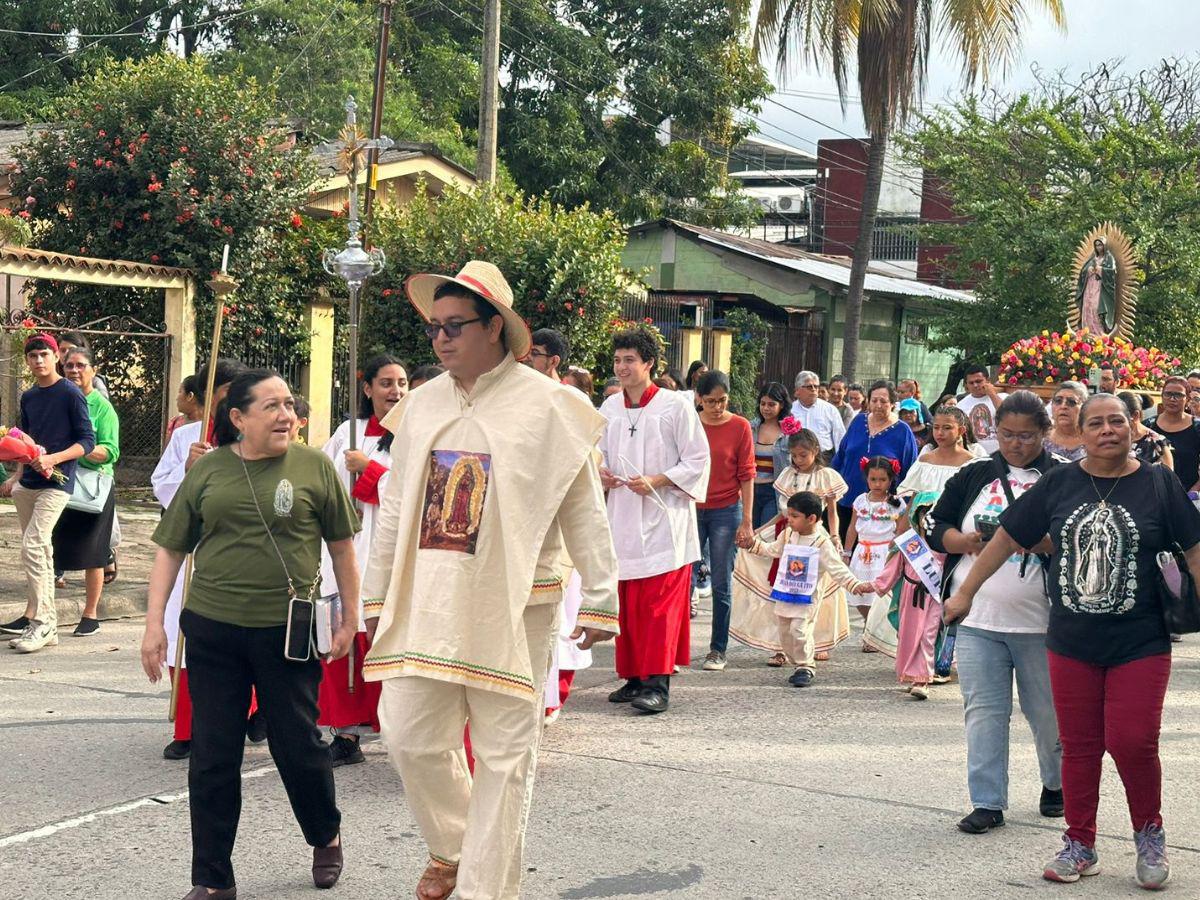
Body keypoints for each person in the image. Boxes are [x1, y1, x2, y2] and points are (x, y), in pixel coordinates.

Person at [359, 261, 619, 899]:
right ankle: (453, 845)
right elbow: (394, 507)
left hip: (518, 603)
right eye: (434, 328)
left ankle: (485, 889)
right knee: (407, 732)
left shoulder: (552, 406)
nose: (441, 339)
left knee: (505, 755)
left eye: (455, 326)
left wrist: (602, 596)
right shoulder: (421, 406)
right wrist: (375, 593)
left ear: (495, 326)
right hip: (428, 596)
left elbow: (583, 508)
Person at [945, 393, 1200, 889]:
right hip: (1070, 641)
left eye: (1116, 421)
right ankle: (1080, 842)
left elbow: (1193, 549)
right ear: (1080, 433)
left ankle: (1149, 835)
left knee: (1132, 741)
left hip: (1141, 640)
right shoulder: (1059, 482)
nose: (1108, 430)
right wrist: (967, 592)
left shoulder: (1158, 482)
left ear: (1132, 427)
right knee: (1079, 746)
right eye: (1096, 423)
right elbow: (1008, 537)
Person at [140, 369, 361, 900]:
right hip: (213, 629)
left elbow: (342, 546)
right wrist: (153, 625)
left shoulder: (313, 466)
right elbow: (171, 547)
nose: (287, 415)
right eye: (272, 406)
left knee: (298, 746)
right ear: (238, 418)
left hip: (286, 632)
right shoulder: (209, 469)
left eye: (288, 404)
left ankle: (325, 833)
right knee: (213, 755)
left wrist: (350, 616)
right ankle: (212, 878)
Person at [927, 390, 1063, 836]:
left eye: (1026, 436)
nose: (1015, 444)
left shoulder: (1064, 477)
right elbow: (937, 525)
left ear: (1044, 433)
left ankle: (1056, 783)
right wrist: (962, 542)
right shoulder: (975, 473)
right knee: (983, 712)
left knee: (1047, 713)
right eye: (1006, 435)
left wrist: (1041, 543)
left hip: (1042, 622)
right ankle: (987, 802)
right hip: (978, 618)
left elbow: (1075, 536)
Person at [601, 326, 709, 714]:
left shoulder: (674, 406)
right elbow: (595, 453)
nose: (622, 367)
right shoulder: (609, 408)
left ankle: (657, 685)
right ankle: (633, 678)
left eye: (629, 360)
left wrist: (659, 480)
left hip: (665, 519)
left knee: (657, 607)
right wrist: (601, 472)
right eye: (618, 360)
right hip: (623, 515)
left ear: (648, 363)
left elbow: (698, 459)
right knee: (628, 603)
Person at [150, 358, 249, 761]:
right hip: (195, 547)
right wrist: (189, 469)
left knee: (241, 635)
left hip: (239, 548)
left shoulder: (253, 435)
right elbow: (161, 486)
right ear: (207, 394)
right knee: (185, 634)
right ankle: (189, 728)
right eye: (223, 392)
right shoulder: (186, 436)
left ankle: (250, 709)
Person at [316, 354, 407, 767]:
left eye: (401, 383)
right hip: (346, 549)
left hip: (388, 553)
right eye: (386, 383)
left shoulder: (415, 433)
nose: (396, 391)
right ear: (367, 389)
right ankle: (346, 734)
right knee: (343, 643)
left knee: (386, 647)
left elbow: (413, 495)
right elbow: (322, 481)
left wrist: (369, 471)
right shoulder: (346, 432)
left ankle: (399, 734)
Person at [0, 334, 95, 651]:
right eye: (33, 356)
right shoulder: (29, 397)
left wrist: (53, 459)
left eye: (44, 354)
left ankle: (41, 623)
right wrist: (17, 476)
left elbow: (87, 441)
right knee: (39, 552)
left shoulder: (70, 393)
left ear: (56, 357)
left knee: (33, 545)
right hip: (28, 485)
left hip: (57, 483)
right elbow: (25, 440)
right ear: (27, 361)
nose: (39, 360)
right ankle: (46, 625)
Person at [730, 429, 850, 667]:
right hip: (787, 535)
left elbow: (832, 511)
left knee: (814, 593)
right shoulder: (787, 474)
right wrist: (758, 530)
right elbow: (783, 513)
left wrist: (835, 536)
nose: (798, 460)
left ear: (815, 451)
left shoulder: (826, 475)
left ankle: (817, 643)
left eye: (803, 455)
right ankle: (780, 647)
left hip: (813, 537)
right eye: (794, 455)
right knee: (780, 590)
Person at [737, 491, 872, 687]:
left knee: (799, 629)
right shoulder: (787, 535)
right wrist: (752, 544)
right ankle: (797, 662)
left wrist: (855, 584)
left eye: (795, 516)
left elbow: (837, 568)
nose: (789, 520)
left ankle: (805, 666)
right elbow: (772, 550)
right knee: (785, 632)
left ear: (812, 519)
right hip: (785, 594)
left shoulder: (822, 543)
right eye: (789, 514)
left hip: (807, 597)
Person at [50, 347, 119, 637]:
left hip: (92, 488)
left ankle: (90, 615)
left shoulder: (102, 408)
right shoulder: (57, 400)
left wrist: (78, 449)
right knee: (49, 549)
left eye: (81, 365)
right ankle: (42, 613)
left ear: (93, 370)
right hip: (58, 482)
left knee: (94, 552)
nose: (74, 370)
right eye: (69, 366)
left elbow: (111, 451)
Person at [692, 370, 754, 672]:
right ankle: (673, 650)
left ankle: (718, 649)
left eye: (722, 400)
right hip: (691, 508)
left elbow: (747, 474)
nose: (717, 407)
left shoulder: (740, 426)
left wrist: (747, 520)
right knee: (683, 580)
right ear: (699, 399)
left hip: (726, 510)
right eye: (710, 401)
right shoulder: (690, 424)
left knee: (721, 582)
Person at [869, 493, 945, 699]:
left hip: (933, 596)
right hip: (910, 596)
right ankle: (912, 675)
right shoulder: (908, 543)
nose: (926, 518)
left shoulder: (946, 543)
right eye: (923, 513)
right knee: (909, 636)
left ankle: (923, 679)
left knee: (927, 635)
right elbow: (892, 570)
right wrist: (872, 586)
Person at [830, 379, 919, 544]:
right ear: (868, 401)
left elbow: (910, 474)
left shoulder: (903, 431)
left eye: (883, 401)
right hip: (847, 501)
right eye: (874, 400)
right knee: (844, 550)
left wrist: (905, 512)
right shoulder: (858, 421)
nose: (878, 405)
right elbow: (840, 457)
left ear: (892, 403)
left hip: (883, 511)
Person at [844, 456, 905, 630]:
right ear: (866, 478)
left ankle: (876, 629)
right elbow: (852, 528)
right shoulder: (860, 500)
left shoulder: (896, 503)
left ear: (890, 480)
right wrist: (847, 552)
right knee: (859, 591)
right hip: (862, 551)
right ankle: (867, 622)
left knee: (881, 593)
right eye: (873, 479)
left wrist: (898, 553)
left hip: (885, 552)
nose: (877, 484)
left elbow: (901, 530)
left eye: (882, 480)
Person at [898, 405, 985, 498]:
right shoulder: (924, 461)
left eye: (947, 428)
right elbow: (911, 495)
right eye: (936, 427)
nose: (940, 433)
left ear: (960, 430)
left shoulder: (972, 463)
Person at [750, 381, 791, 528]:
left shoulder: (789, 433)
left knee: (766, 533)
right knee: (749, 533)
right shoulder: (751, 428)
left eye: (771, 404)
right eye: (763, 404)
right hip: (750, 489)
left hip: (774, 492)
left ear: (782, 405)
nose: (766, 408)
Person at [1150, 375, 1200, 492]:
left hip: (1189, 493)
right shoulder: (1149, 426)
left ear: (1188, 399)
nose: (1172, 399)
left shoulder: (1197, 427)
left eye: (1178, 395)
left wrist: (1194, 491)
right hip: (1153, 493)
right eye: (1168, 394)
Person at [789, 370, 846, 459]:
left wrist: (840, 461)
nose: (814, 389)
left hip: (824, 458)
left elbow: (840, 438)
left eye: (816, 386)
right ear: (797, 390)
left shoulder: (830, 410)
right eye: (809, 387)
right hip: (796, 459)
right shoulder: (790, 410)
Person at [957, 364, 1008, 454]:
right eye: (971, 383)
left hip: (1002, 453)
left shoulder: (1003, 397)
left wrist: (992, 394)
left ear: (988, 380)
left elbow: (1007, 416)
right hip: (974, 454)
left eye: (979, 381)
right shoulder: (960, 406)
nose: (975, 385)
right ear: (966, 385)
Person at [1075, 236, 1117, 335]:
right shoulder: (1092, 259)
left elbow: (1112, 273)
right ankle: (1087, 333)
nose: (1098, 247)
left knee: (1095, 308)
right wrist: (1088, 271)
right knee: (1087, 307)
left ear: (1104, 246)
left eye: (1100, 245)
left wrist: (1100, 270)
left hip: (1100, 287)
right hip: (1089, 286)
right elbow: (1083, 272)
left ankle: (1098, 333)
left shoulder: (1109, 258)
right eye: (1097, 245)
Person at [1120, 391, 1173, 468]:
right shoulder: (1109, 438)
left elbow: (1168, 474)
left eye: (1118, 419)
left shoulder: (1157, 442)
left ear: (1135, 415)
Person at [56, 330, 110, 399]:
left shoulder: (95, 382)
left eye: (72, 349)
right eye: (63, 350)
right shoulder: (55, 378)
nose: (66, 354)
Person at [1043, 381, 1088, 461]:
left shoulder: (1092, 441)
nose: (1063, 406)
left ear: (1084, 408)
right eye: (1058, 401)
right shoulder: (1041, 439)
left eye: (1071, 402)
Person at [167, 375, 202, 442]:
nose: (177, 398)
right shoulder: (175, 423)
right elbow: (169, 448)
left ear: (190, 396)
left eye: (180, 392)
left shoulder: (213, 426)